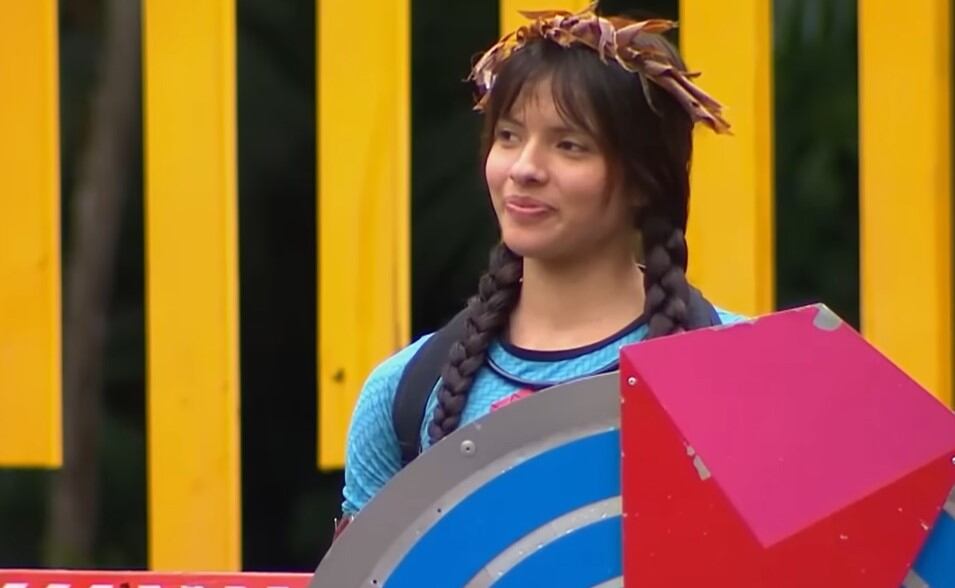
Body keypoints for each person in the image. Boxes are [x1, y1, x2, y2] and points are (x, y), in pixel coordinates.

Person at [336, 2, 745, 535]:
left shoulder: (748, 375)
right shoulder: (404, 394)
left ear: (645, 180)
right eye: (508, 136)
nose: (525, 169)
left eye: (569, 145)